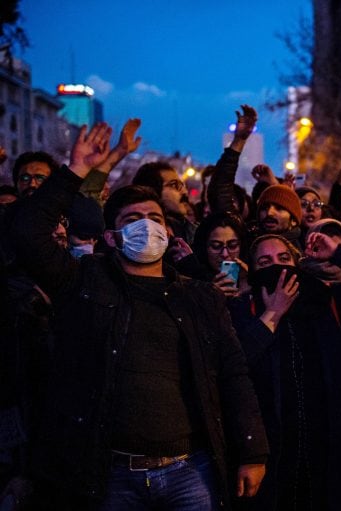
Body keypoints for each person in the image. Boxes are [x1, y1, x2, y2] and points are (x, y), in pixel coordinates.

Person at [9, 123, 268, 509]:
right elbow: (26, 232)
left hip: (190, 471)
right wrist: (75, 170)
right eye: (132, 219)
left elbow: (232, 373)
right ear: (111, 236)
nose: (146, 225)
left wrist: (252, 451)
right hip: (110, 475)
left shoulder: (198, 297)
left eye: (154, 217)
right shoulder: (83, 284)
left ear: (168, 232)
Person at [228, 234, 341, 510]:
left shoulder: (325, 301)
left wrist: (338, 254)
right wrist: (273, 314)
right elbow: (234, 367)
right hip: (272, 455)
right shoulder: (241, 311)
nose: (277, 268)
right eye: (265, 262)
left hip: (326, 450)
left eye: (284, 259)